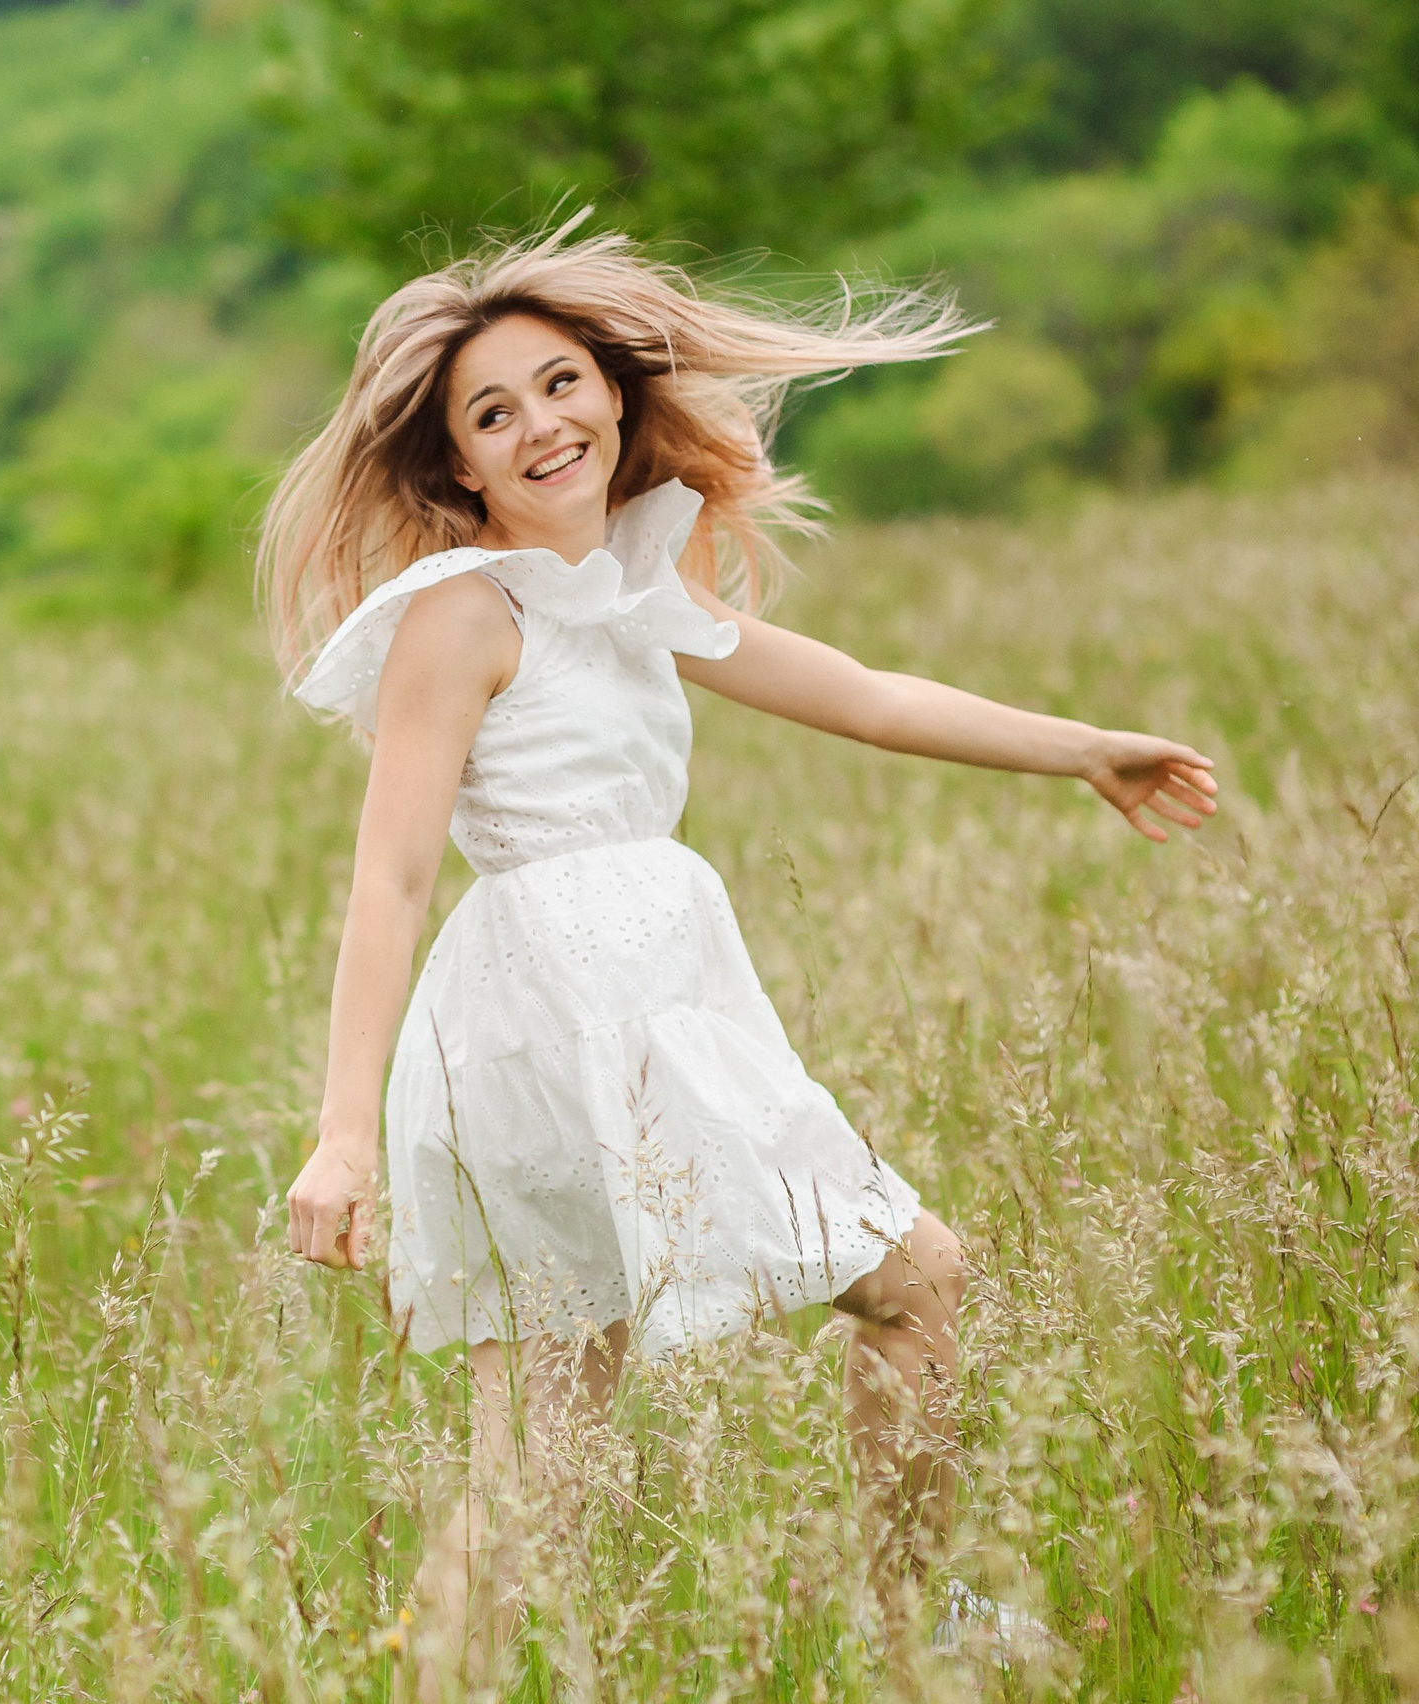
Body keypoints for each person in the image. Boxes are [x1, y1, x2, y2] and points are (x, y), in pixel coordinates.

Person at [260, 221, 1216, 1693]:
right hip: (577, 1012)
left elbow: (870, 695)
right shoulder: (463, 613)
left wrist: (1085, 747)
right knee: (919, 1280)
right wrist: (339, 1136)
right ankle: (927, 1641)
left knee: (545, 1444)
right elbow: (387, 879)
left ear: (615, 396)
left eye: (560, 383)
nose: (541, 425)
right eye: (492, 414)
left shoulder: (633, 600)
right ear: (458, 469)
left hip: (597, 1003)